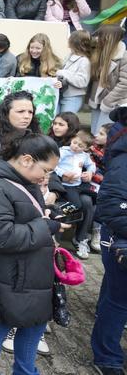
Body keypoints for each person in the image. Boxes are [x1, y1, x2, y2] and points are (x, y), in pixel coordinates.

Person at [0, 133, 68, 375]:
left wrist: (48, 214)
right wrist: (47, 226)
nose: (46, 178)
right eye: (45, 170)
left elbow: (27, 216)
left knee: (34, 327)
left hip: (31, 273)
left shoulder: (24, 181)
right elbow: (1, 236)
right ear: (26, 160)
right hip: (7, 276)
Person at [91, 105, 127, 374]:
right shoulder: (124, 160)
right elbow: (111, 206)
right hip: (120, 238)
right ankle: (107, 357)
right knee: (118, 299)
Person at [55, 130, 96, 258]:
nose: (75, 146)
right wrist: (62, 173)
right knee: (77, 204)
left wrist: (89, 173)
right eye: (74, 142)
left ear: (87, 148)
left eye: (80, 146)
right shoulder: (63, 151)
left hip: (77, 185)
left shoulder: (84, 156)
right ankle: (57, 214)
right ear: (72, 139)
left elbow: (92, 165)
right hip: (65, 185)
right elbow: (54, 165)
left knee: (92, 199)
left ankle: (80, 237)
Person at [89, 25, 127, 134]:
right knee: (94, 133)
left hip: (112, 103)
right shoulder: (98, 52)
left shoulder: (124, 57)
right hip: (97, 101)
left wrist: (108, 101)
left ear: (107, 38)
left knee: (103, 135)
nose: (96, 39)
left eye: (99, 36)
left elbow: (124, 84)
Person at [56, 30, 93, 114]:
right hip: (62, 94)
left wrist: (64, 73)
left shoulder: (84, 61)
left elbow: (83, 82)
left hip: (73, 97)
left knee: (67, 122)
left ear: (74, 42)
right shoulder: (69, 56)